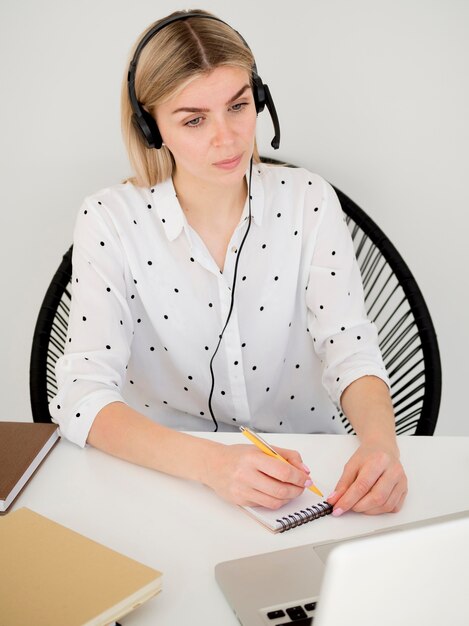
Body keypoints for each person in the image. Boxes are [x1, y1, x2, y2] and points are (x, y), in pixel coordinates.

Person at [51, 9, 407, 516]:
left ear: (259, 99)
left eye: (239, 106)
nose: (228, 137)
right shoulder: (109, 219)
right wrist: (212, 466)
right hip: (169, 484)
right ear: (152, 128)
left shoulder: (308, 200)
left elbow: (349, 347)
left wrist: (381, 445)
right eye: (194, 119)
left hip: (308, 482)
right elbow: (80, 394)